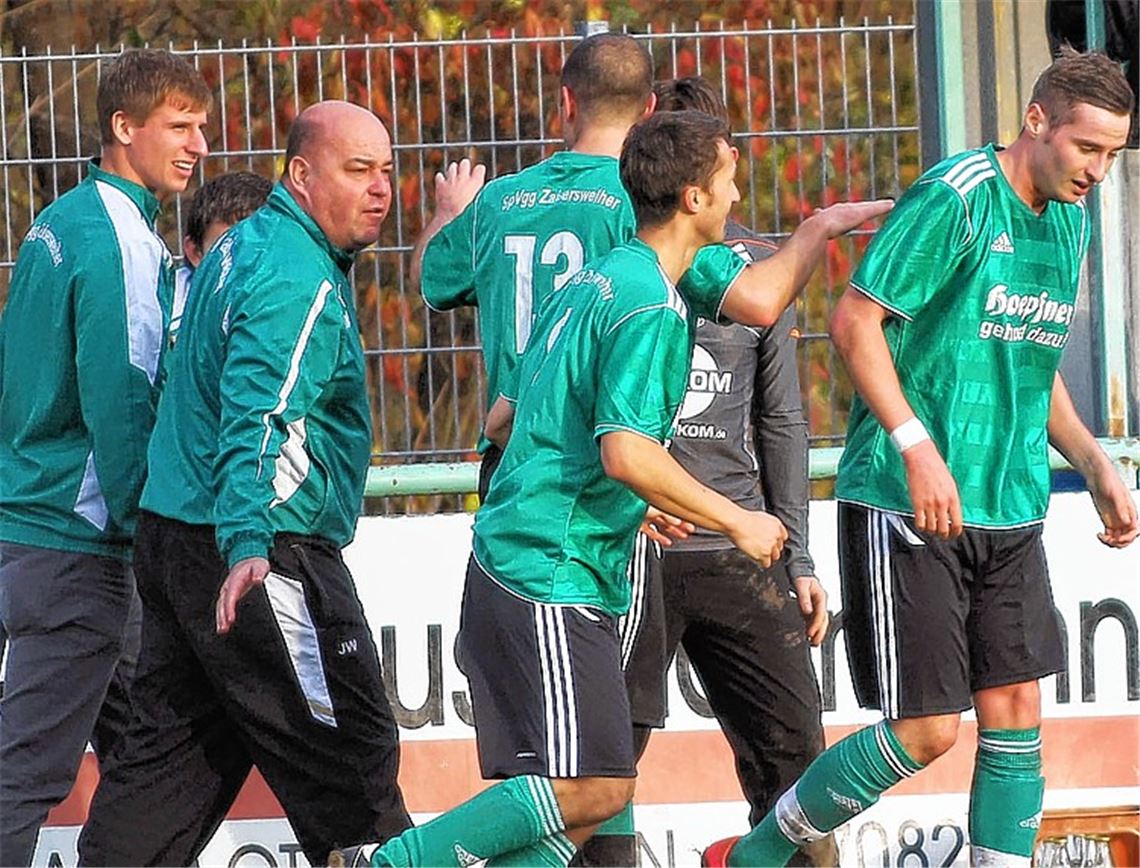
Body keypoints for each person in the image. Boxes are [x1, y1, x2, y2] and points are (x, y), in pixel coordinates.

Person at [335, 111, 891, 868]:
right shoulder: (649, 305)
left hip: (551, 559)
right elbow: (626, 449)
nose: (737, 195)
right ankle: (388, 864)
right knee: (590, 788)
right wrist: (737, 520)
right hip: (548, 569)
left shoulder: (605, 274)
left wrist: (628, 500)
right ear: (695, 198)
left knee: (586, 803)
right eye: (729, 178)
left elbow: (506, 415)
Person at [701, 48, 1138, 868]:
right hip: (907, 502)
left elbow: (1028, 360)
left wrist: (1095, 458)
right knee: (929, 729)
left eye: (1113, 154)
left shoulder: (1070, 221)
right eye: (1088, 148)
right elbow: (853, 323)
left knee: (1015, 710)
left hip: (1009, 503)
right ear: (1036, 121)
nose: (1098, 171)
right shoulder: (956, 197)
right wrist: (916, 447)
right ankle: (757, 855)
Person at [77, 100, 412, 867]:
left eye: (386, 171)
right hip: (259, 550)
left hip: (177, 538)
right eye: (357, 170)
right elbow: (259, 416)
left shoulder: (242, 247)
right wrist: (249, 545)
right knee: (353, 762)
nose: (379, 189)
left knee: (166, 775)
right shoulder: (295, 276)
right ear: (299, 174)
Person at [613, 75, 836, 868]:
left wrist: (800, 555)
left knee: (799, 763)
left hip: (737, 550)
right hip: (634, 550)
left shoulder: (757, 270)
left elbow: (781, 419)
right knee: (603, 774)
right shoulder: (622, 266)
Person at [0, 48, 210, 867]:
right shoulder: (119, 239)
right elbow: (123, 402)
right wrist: (146, 529)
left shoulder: (60, 219)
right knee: (25, 775)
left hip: (33, 526)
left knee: (145, 752)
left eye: (201, 127)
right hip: (77, 541)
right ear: (124, 127)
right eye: (179, 126)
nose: (196, 145)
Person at [170, 170, 273, 345]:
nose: (245, 262)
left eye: (257, 248)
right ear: (196, 253)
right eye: (227, 248)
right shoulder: (168, 309)